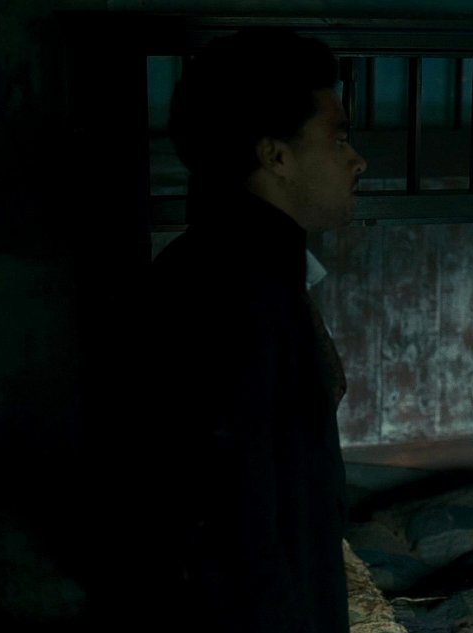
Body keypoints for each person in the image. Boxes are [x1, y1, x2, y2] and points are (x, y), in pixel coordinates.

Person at [140, 28, 366, 632]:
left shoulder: (251, 271)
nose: (356, 160)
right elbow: (230, 521)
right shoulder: (232, 291)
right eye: (338, 138)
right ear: (276, 156)